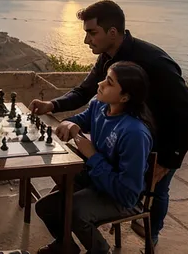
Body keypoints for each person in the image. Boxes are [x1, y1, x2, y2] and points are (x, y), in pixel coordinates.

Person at [30, 0, 188, 247]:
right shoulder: (109, 59)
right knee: (73, 192)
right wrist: (53, 106)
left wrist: (168, 160)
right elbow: (85, 90)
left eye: (91, 33)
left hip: (158, 141)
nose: (87, 40)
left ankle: (151, 236)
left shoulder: (154, 62)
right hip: (122, 138)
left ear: (112, 32)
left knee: (157, 191)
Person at [35, 61, 153, 254]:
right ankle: (66, 246)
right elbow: (79, 121)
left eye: (109, 82)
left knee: (75, 209)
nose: (100, 84)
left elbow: (127, 192)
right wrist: (70, 124)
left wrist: (92, 155)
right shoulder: (99, 106)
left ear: (124, 97)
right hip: (96, 179)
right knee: (45, 207)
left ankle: (99, 249)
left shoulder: (134, 133)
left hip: (121, 196)